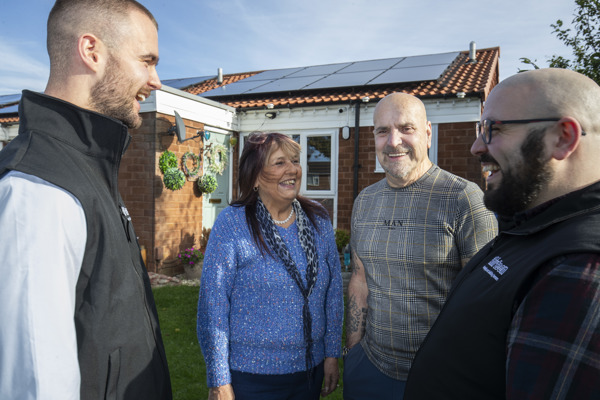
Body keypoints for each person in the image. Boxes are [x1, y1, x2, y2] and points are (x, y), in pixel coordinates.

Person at [0, 1, 171, 399]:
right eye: (146, 61)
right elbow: (36, 384)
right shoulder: (38, 189)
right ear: (91, 51)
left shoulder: (90, 167)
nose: (156, 80)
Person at [404, 68, 600, 399]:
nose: (476, 146)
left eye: (493, 129)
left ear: (563, 137)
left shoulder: (579, 269)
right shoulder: (533, 227)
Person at [344, 92, 498, 399]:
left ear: (428, 133)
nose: (393, 141)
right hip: (369, 369)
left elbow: (486, 300)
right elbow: (360, 279)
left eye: (406, 128)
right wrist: (353, 351)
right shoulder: (365, 201)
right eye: (382, 131)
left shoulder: (464, 199)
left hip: (440, 375)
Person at [197, 132, 343, 400]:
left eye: (295, 161)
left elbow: (332, 294)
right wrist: (219, 379)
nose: (293, 170)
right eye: (279, 163)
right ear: (254, 176)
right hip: (251, 377)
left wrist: (331, 352)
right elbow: (213, 305)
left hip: (309, 372)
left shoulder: (318, 221)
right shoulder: (232, 224)